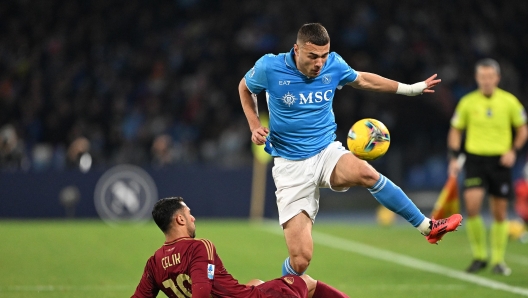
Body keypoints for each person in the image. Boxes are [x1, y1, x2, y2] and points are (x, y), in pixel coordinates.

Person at [238, 22, 463, 278]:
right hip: (290, 166)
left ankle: (428, 227)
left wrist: (410, 89)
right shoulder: (270, 67)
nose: (319, 63)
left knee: (367, 174)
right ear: (296, 50)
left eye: (324, 56)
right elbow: (245, 88)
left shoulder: (333, 64)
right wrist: (254, 125)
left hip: (325, 152)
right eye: (312, 56)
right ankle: (283, 291)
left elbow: (364, 80)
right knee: (301, 260)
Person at [132, 197, 349, 298]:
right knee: (306, 282)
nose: (193, 218)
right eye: (189, 214)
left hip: (241, 293)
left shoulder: (154, 262)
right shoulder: (199, 247)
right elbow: (201, 292)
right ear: (179, 220)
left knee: (257, 282)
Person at [447, 58, 528, 275]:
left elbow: (522, 130)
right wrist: (455, 156)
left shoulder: (510, 102)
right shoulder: (467, 102)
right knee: (472, 206)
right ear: (477, 78)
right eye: (482, 77)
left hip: (500, 161)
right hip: (475, 160)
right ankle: (480, 256)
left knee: (500, 212)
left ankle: (499, 260)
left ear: (497, 78)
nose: (486, 81)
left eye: (490, 76)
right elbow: (455, 130)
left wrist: (513, 151)